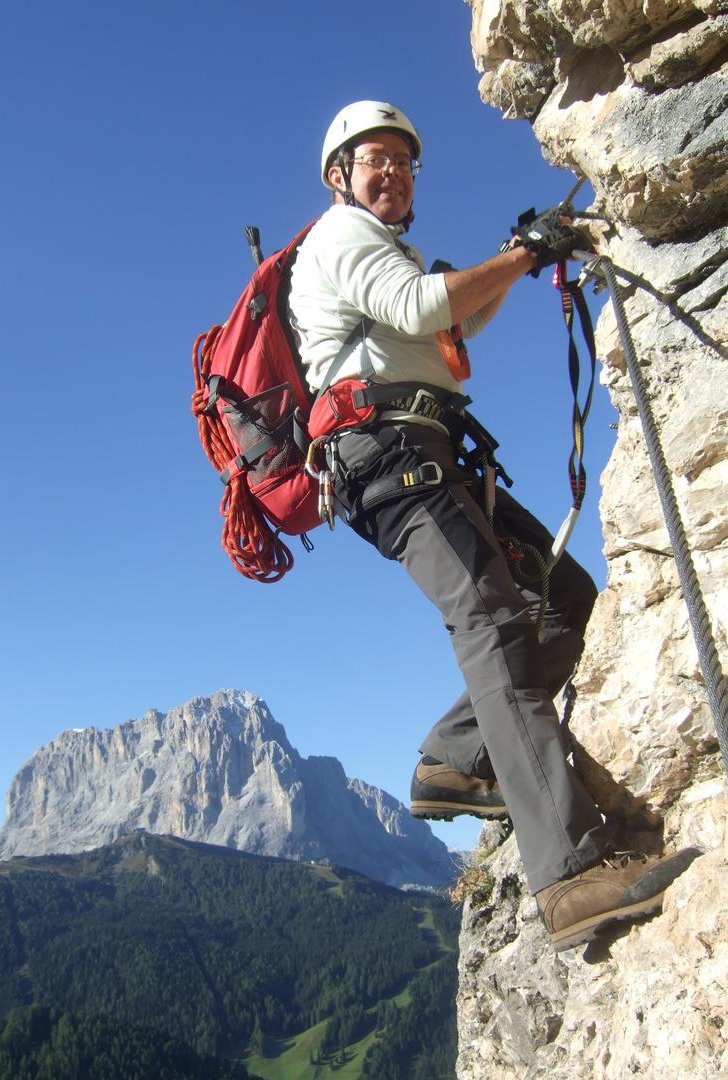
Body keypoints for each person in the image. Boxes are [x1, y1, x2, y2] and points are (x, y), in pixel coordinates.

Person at [287, 100, 698, 951]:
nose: (394, 170)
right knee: (495, 622)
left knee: (560, 595)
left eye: (404, 158)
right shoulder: (338, 238)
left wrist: (521, 258)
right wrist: (524, 252)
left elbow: (460, 317)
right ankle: (572, 873)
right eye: (375, 159)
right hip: (388, 457)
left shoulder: (381, 246)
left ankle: (457, 756)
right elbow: (425, 306)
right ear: (340, 176)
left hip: (424, 453)